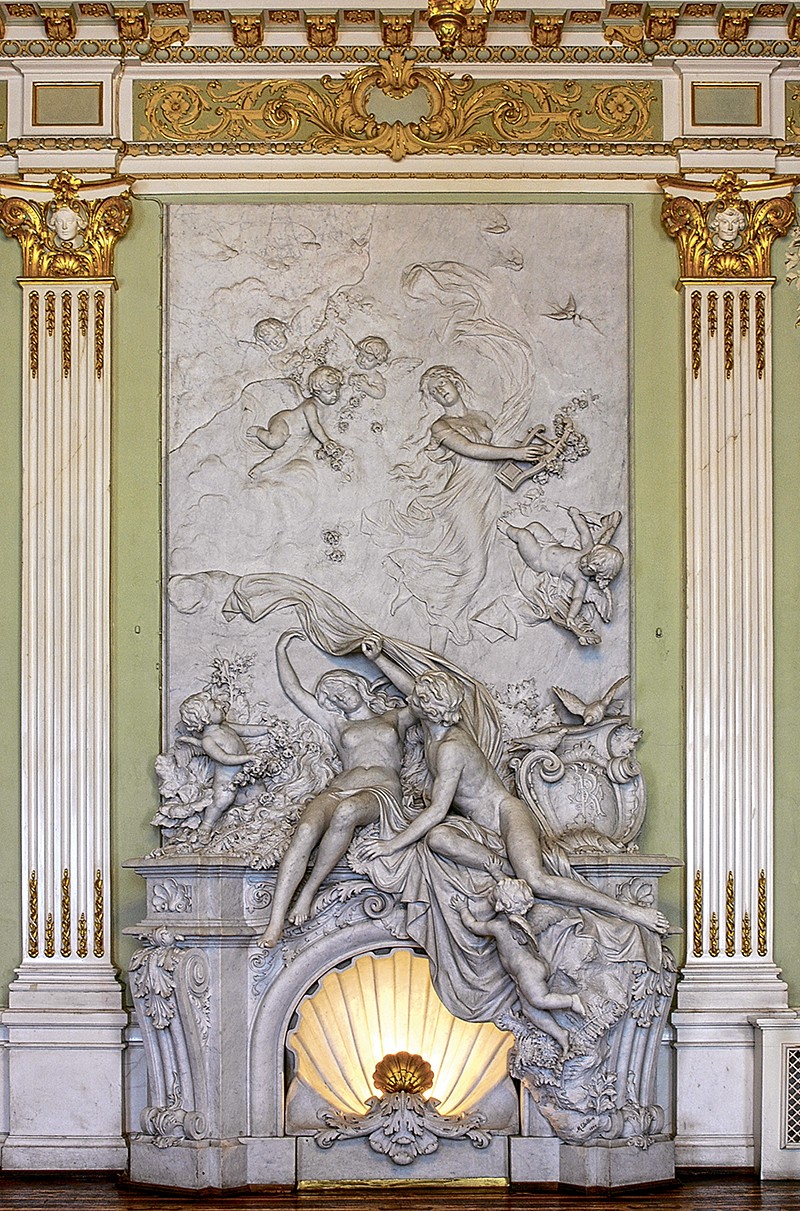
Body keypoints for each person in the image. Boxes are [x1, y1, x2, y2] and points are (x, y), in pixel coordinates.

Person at [357, 645, 669, 938]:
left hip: (507, 816)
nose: (411, 699)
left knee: (536, 880)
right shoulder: (436, 727)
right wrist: (378, 659)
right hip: (478, 825)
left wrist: (390, 846)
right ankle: (503, 870)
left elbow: (438, 810)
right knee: (438, 839)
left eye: (419, 698)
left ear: (431, 709)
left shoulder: (451, 747)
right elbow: (411, 689)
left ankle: (628, 911)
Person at [363, 366, 549, 650]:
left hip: (488, 495)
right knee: (473, 569)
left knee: (466, 567)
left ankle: (436, 635)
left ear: (456, 382)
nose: (441, 390)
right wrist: (516, 453)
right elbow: (470, 449)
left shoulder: (482, 417)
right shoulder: (440, 425)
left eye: (443, 383)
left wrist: (538, 455)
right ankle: (436, 638)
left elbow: (499, 452)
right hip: (462, 496)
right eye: (434, 390)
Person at [258, 631, 415, 947]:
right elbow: (294, 691)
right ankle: (274, 923)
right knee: (305, 830)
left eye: (342, 687)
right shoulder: (337, 724)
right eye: (333, 695)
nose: (340, 696)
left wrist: (378, 658)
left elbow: (420, 695)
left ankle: (309, 891)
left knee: (347, 811)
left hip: (381, 791)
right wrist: (280, 650)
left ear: (357, 685)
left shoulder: (394, 718)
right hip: (339, 787)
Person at [452, 879, 586, 1055]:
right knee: (530, 1011)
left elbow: (473, 926)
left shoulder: (498, 926)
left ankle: (571, 1001)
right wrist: (496, 873)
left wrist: (462, 908)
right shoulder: (520, 921)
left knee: (539, 1000)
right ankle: (561, 1034)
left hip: (527, 971)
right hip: (525, 972)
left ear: (501, 904)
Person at [499, 506, 624, 635]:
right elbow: (584, 531)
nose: (584, 564)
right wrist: (576, 516)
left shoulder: (580, 580)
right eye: (587, 559)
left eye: (590, 569)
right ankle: (518, 540)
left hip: (538, 559)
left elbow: (577, 599)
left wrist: (571, 617)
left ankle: (507, 529)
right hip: (550, 543)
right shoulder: (587, 548)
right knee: (535, 526)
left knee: (523, 535)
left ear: (596, 575)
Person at [176, 691, 270, 837]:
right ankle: (206, 825)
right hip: (226, 780)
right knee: (220, 802)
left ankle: (257, 819)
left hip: (245, 774)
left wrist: (267, 729)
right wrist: (248, 758)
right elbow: (224, 759)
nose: (220, 706)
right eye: (214, 707)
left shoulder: (226, 726)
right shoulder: (208, 740)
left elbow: (246, 729)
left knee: (260, 792)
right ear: (205, 718)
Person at [246, 364, 345, 476]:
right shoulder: (310, 406)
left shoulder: (328, 407)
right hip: (284, 422)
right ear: (317, 391)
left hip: (298, 437)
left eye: (337, 390)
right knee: (275, 442)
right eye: (329, 392)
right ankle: (258, 432)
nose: (335, 395)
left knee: (282, 457)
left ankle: (260, 469)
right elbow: (314, 425)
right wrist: (326, 441)